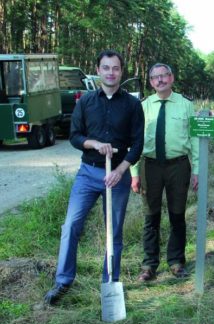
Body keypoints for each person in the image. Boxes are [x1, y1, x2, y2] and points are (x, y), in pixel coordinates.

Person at [44, 50, 144, 305]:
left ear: (122, 71)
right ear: (98, 70)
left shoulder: (133, 105)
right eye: (106, 67)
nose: (111, 72)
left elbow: (138, 143)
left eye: (116, 68)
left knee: (114, 232)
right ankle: (63, 281)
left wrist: (121, 170)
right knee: (71, 226)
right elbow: (75, 136)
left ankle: (110, 282)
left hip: (118, 175)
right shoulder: (85, 102)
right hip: (88, 173)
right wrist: (94, 144)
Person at [130, 63, 199, 281]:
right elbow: (136, 140)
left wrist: (196, 169)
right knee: (151, 216)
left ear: (171, 78)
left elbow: (195, 138)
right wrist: (134, 172)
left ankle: (176, 261)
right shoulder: (143, 106)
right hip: (149, 166)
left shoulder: (186, 105)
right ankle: (149, 265)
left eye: (164, 76)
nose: (159, 80)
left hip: (178, 166)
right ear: (150, 82)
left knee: (177, 215)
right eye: (154, 77)